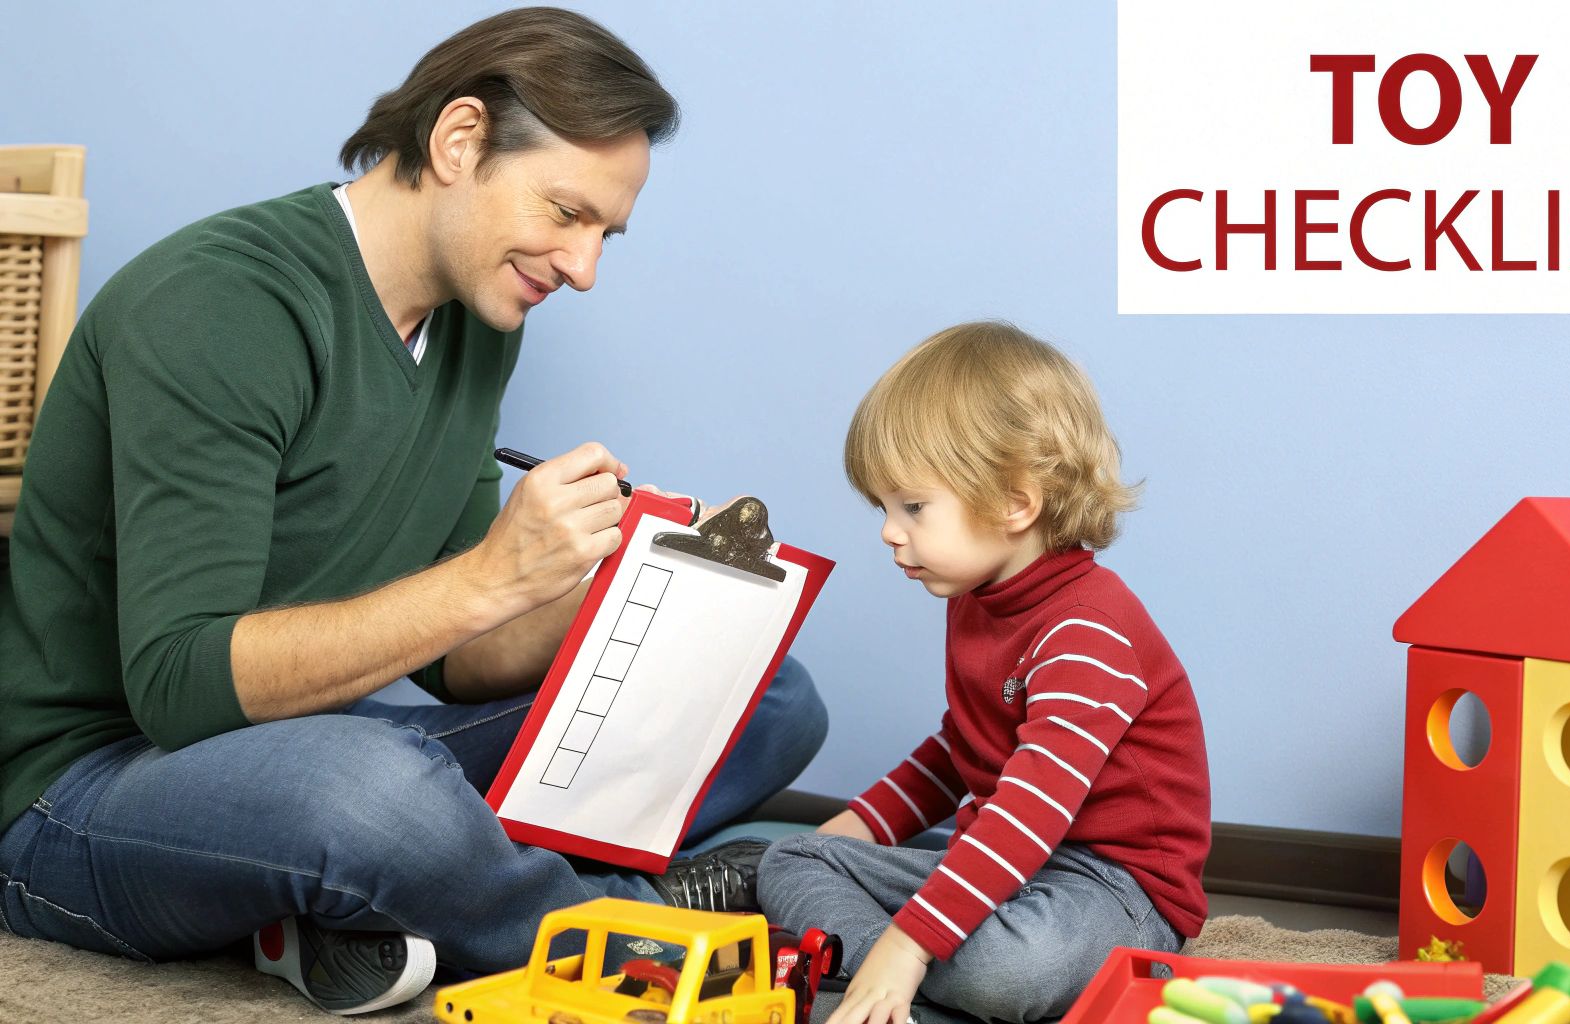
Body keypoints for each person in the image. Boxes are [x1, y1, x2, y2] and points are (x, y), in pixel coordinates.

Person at [0, 7, 824, 1015]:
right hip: (81, 794)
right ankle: (624, 925)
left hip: (312, 744)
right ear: (458, 140)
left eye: (604, 233)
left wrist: (612, 587)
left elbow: (449, 656)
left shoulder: (477, 317)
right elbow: (179, 688)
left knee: (764, 692)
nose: (583, 266)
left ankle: (376, 906)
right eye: (566, 212)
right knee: (372, 787)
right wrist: (488, 575)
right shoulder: (220, 305)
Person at [758, 321, 1211, 1024]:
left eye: (913, 506)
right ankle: (901, 954)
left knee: (1003, 971)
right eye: (883, 507)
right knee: (788, 859)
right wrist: (849, 836)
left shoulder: (1087, 629)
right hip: (1000, 860)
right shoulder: (975, 601)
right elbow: (957, 753)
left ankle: (883, 957)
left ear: (1015, 503)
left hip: (1115, 890)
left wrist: (908, 944)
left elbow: (1032, 808)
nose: (888, 530)